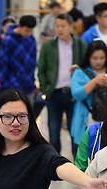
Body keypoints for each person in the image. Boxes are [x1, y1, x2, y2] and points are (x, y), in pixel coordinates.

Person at [38, 13, 86, 154]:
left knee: (75, 132)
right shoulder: (48, 47)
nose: (59, 29)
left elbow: (86, 68)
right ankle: (55, 165)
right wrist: (46, 90)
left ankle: (77, 167)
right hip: (54, 93)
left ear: (71, 27)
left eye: (63, 26)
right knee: (53, 132)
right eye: (57, 26)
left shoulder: (80, 45)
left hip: (74, 94)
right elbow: (41, 70)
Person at [71, 40, 107, 157]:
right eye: (94, 58)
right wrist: (94, 82)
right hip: (84, 122)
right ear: (88, 57)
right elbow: (77, 94)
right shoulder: (79, 73)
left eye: (102, 58)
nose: (98, 61)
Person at [0, 15, 38, 98]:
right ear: (20, 27)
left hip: (28, 86)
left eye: (31, 31)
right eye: (26, 30)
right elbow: (2, 64)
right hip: (11, 86)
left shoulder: (31, 39)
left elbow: (32, 63)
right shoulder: (8, 40)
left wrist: (32, 82)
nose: (29, 33)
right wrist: (4, 84)